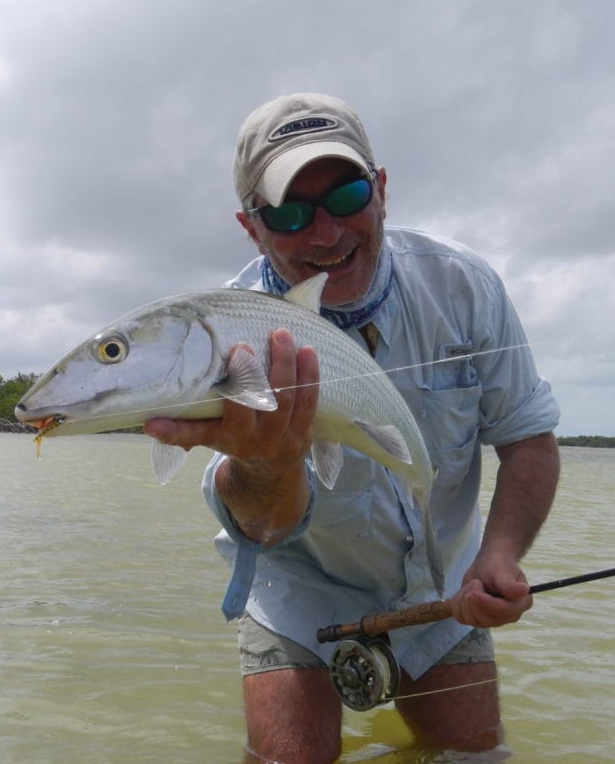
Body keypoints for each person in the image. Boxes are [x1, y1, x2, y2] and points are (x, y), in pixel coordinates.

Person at [144, 92, 560, 764]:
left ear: (383, 190)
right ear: (252, 228)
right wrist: (265, 464)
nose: (327, 234)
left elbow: (529, 438)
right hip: (297, 581)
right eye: (288, 212)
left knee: (474, 756)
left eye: (347, 195)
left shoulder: (465, 287)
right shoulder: (225, 336)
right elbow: (267, 525)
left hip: (445, 581)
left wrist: (501, 554)